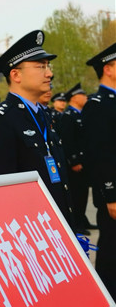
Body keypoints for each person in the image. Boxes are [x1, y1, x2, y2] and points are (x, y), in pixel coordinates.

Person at [0, 30, 74, 227]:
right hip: (32, 228)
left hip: (58, 221)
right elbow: (2, 192)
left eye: (48, 66)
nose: (49, 73)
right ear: (16, 75)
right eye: (41, 66)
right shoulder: (0, 120)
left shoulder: (43, 114)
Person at [81, 42, 116, 299]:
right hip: (113, 192)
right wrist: (111, 196)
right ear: (108, 69)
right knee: (112, 248)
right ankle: (108, 297)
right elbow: (100, 154)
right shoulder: (98, 104)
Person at [59, 83, 95, 235]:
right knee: (76, 194)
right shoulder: (68, 116)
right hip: (75, 164)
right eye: (82, 95)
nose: (85, 97)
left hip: (84, 161)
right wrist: (74, 161)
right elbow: (68, 141)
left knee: (83, 193)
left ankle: (82, 219)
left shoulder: (79, 114)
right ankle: (77, 223)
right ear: (74, 98)